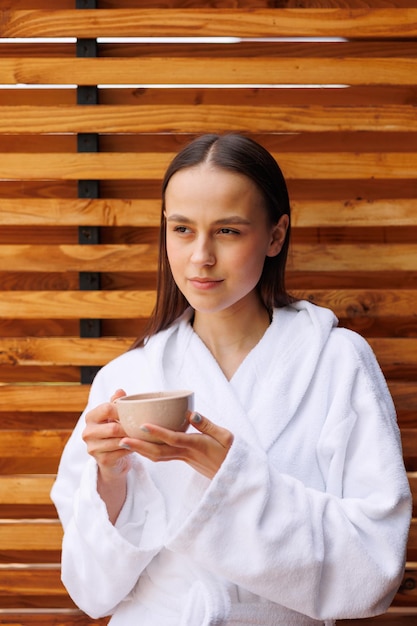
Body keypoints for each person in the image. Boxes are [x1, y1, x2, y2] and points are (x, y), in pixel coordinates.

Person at [51, 133, 411, 626]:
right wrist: (109, 481)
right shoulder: (127, 378)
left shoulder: (336, 362)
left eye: (228, 231)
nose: (200, 256)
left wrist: (235, 480)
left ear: (276, 236)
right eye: (181, 229)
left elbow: (374, 570)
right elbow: (91, 591)